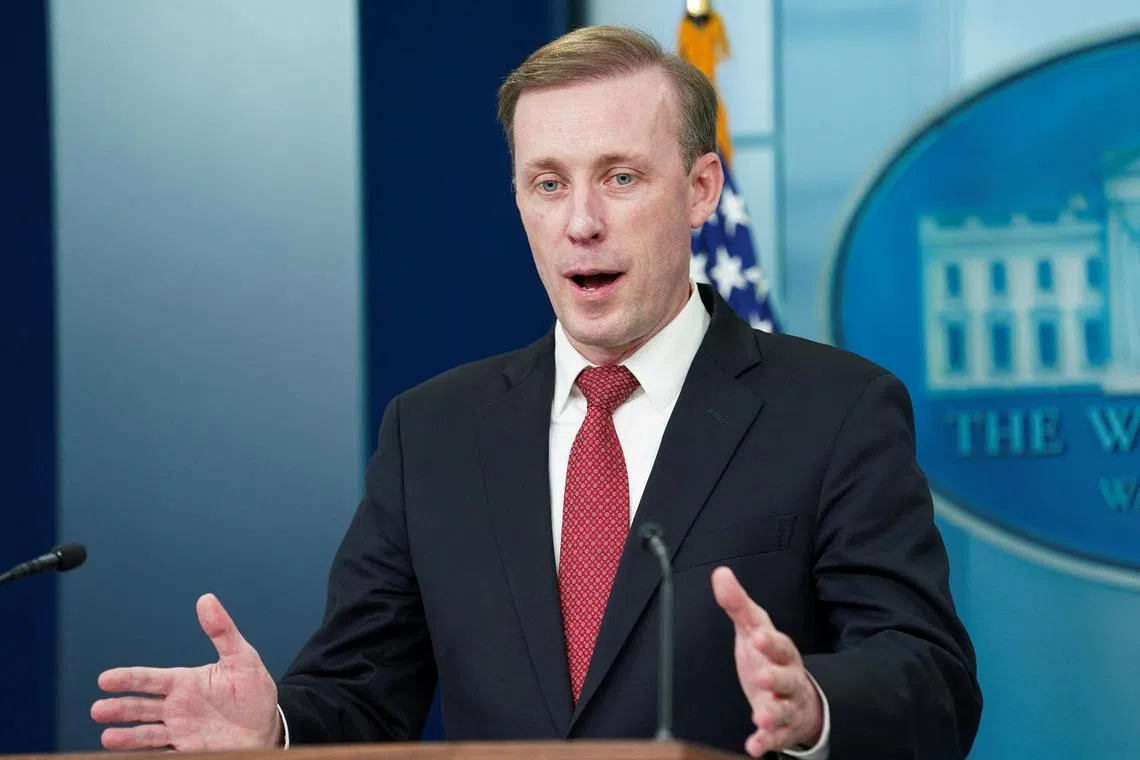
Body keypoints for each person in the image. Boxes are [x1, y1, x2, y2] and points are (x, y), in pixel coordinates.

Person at [91, 25, 982, 759]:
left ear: (701, 189)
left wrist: (816, 702)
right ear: (518, 199)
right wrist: (276, 728)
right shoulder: (433, 433)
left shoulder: (833, 411)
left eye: (620, 177)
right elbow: (361, 696)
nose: (581, 221)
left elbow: (932, 679)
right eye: (548, 183)